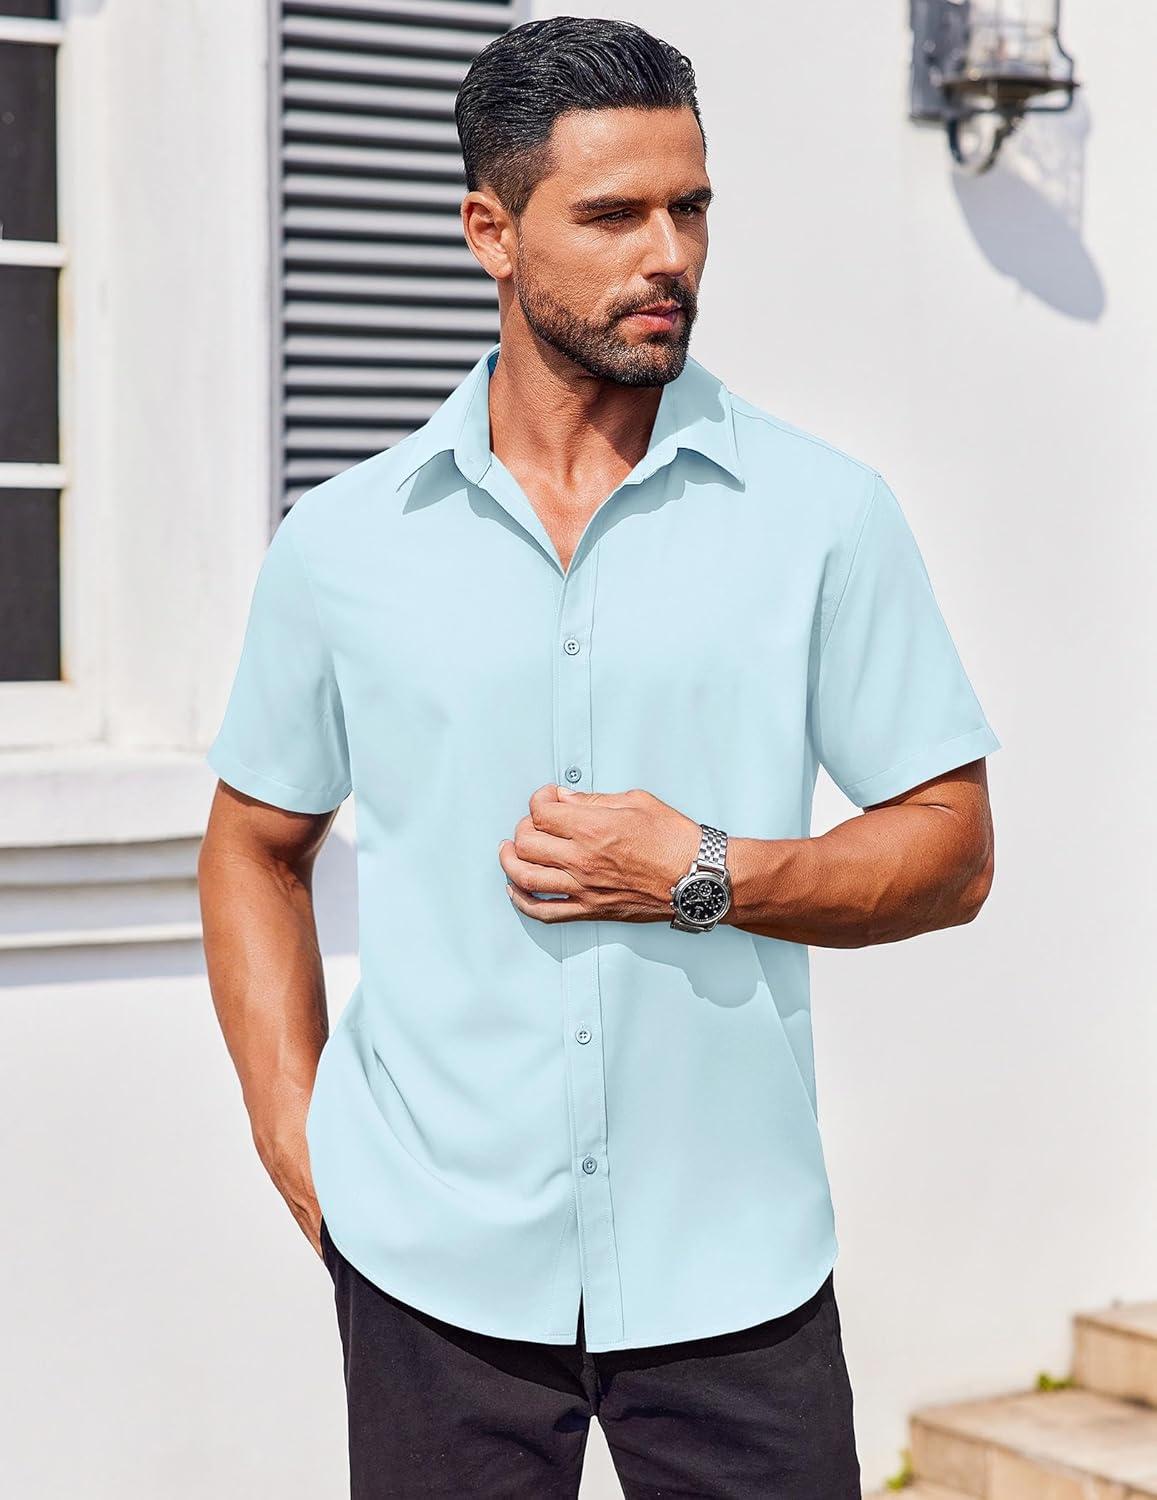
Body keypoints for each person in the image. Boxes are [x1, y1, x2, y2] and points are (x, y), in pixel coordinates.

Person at [198, 15, 1000, 1498]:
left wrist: (702, 872)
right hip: (430, 1276)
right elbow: (255, 845)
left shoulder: (823, 517)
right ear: (491, 234)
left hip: (735, 1271)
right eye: (615, 214)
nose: (669, 254)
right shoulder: (343, 545)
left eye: (691, 207)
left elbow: (951, 846)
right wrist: (307, 1158)